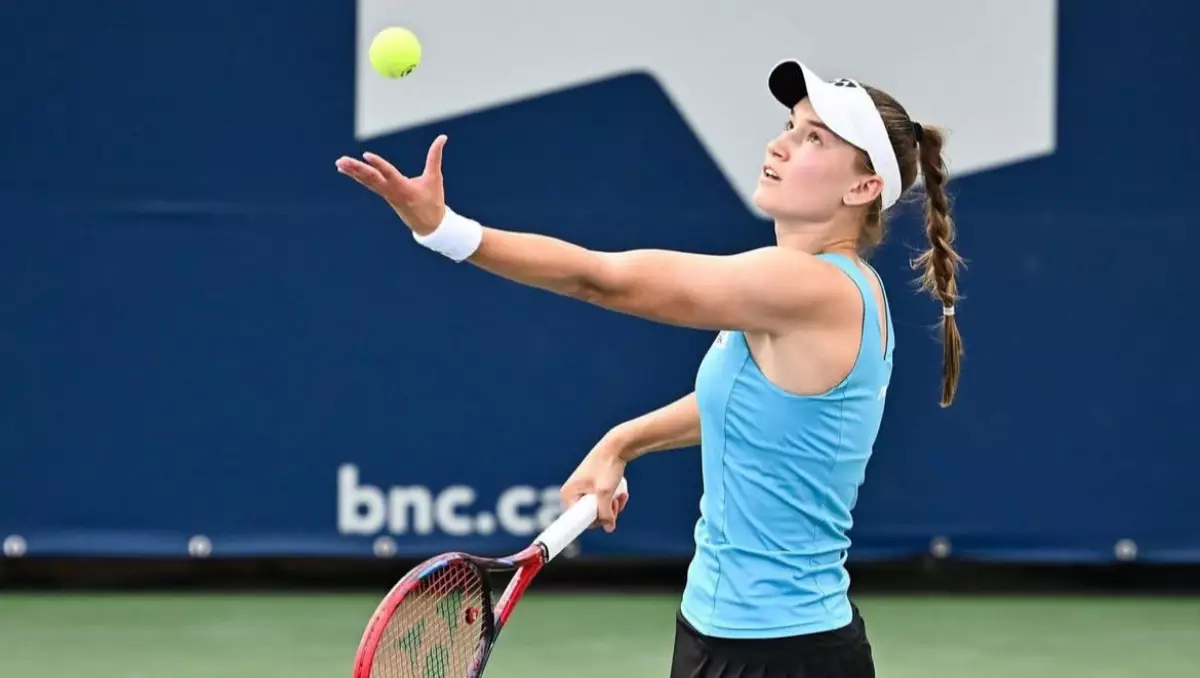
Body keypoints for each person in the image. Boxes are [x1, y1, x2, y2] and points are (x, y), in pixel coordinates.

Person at [336, 59, 964, 678]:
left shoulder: (812, 288)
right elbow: (749, 406)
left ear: (862, 188)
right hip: (713, 631)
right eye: (790, 127)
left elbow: (601, 279)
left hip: (786, 654)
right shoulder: (824, 289)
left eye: (815, 139)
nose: (780, 145)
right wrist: (623, 442)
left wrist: (446, 230)